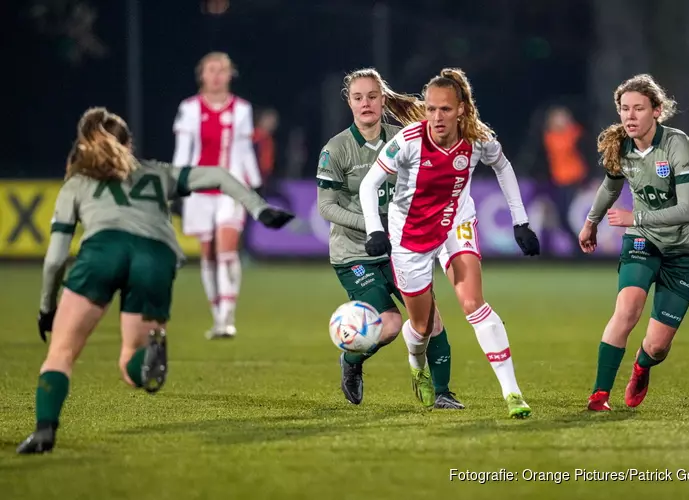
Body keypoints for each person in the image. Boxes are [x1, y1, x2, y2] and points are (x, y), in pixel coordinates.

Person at [17, 107, 293, 454]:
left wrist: (47, 307)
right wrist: (259, 208)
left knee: (61, 353)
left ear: (84, 144)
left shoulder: (78, 181)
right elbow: (220, 175)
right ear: (127, 144)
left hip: (103, 251)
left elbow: (56, 258)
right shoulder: (156, 172)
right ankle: (147, 357)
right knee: (131, 363)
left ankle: (44, 431)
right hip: (156, 256)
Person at [359, 68, 541, 418]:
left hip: (455, 224)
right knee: (423, 326)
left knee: (473, 303)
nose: (436, 117)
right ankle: (416, 364)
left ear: (461, 109)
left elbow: (503, 167)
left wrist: (521, 222)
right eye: (430, 109)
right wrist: (374, 230)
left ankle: (512, 393)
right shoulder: (409, 141)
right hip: (410, 236)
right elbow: (369, 184)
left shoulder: (477, 139)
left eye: (444, 109)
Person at [317, 68, 462, 409]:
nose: (365, 103)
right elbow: (326, 207)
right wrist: (373, 227)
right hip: (355, 254)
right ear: (349, 103)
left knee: (430, 320)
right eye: (358, 97)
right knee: (391, 324)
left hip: (400, 249)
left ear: (383, 99)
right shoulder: (336, 149)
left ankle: (442, 393)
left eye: (372, 96)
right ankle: (351, 362)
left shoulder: (407, 138)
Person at [580, 74, 689, 411]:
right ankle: (599, 395)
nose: (630, 116)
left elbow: (686, 209)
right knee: (627, 310)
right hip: (643, 241)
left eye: (639, 108)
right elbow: (610, 186)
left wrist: (632, 218)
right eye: (624, 109)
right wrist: (591, 222)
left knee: (658, 347)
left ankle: (641, 365)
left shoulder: (677, 145)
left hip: (684, 249)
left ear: (657, 110)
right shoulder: (620, 145)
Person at [172, 51, 262, 339]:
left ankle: (227, 317)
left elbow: (245, 150)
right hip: (199, 189)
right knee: (208, 254)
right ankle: (216, 316)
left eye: (221, 70)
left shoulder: (242, 109)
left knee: (226, 251)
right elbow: (182, 151)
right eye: (211, 70)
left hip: (230, 187)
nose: (216, 76)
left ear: (229, 76)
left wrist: (254, 184)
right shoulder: (189, 109)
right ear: (202, 75)